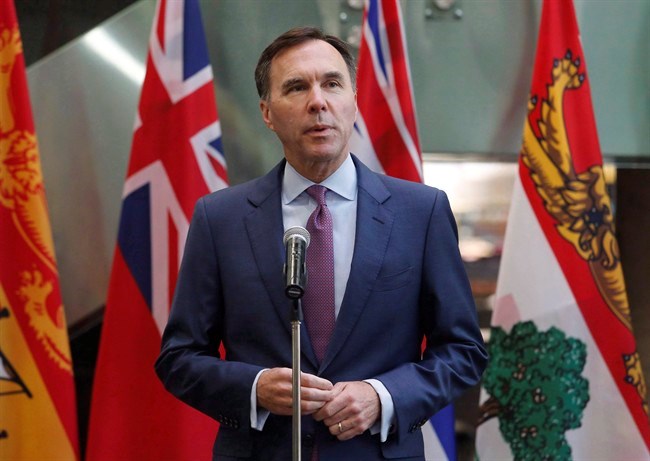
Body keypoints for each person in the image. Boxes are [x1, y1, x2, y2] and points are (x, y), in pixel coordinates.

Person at [155, 26, 487, 461]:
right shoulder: (220, 218)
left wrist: (382, 395)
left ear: (353, 102)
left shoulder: (420, 212)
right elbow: (178, 357)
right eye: (296, 87)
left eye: (332, 83)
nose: (318, 101)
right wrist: (254, 388)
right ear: (267, 113)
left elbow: (463, 350)